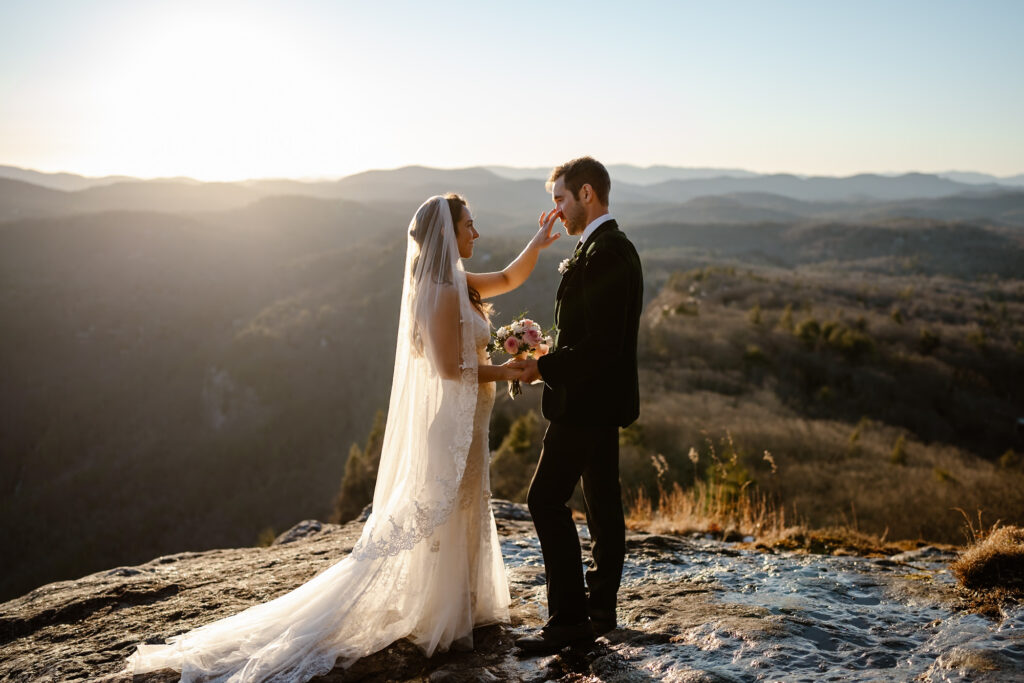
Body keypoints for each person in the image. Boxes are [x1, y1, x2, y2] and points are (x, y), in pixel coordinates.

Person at [121, 193, 559, 682]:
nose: (475, 233)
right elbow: (448, 370)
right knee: (449, 515)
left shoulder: (454, 281)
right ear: (446, 234)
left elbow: (505, 279)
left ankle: (464, 605)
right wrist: (508, 371)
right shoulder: (436, 292)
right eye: (469, 226)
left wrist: (537, 243)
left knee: (468, 510)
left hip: (470, 427)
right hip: (451, 429)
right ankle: (444, 614)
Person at [511, 157, 644, 654]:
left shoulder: (606, 253)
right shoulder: (607, 247)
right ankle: (600, 609)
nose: (557, 212)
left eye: (560, 200)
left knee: (545, 501)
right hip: (597, 401)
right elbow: (589, 335)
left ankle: (569, 619)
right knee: (603, 504)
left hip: (585, 404)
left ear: (587, 194)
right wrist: (547, 353)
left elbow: (602, 347)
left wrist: (543, 369)